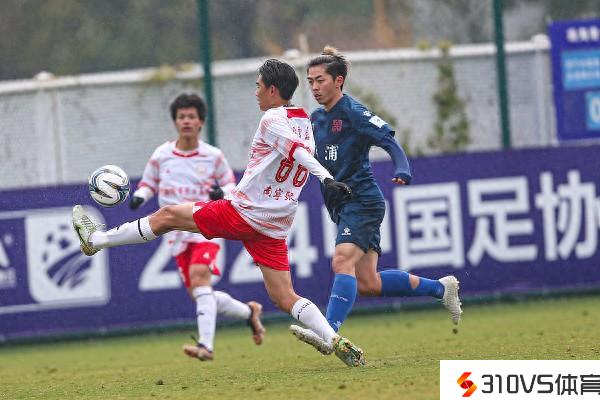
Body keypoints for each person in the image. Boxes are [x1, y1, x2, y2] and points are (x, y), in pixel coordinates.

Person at [72, 59, 366, 367]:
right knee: (284, 296)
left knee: (168, 216)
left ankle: (96, 240)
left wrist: (326, 179)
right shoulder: (303, 120)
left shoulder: (271, 119)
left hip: (245, 211)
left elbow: (297, 152)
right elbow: (299, 151)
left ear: (272, 90)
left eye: (258, 86)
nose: (255, 92)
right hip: (276, 223)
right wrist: (325, 177)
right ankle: (334, 339)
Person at [290, 46, 462, 352]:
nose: (314, 87)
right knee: (368, 283)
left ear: (338, 81)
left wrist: (403, 168)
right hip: (341, 205)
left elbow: (387, 140)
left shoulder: (354, 113)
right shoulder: (315, 119)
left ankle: (329, 333)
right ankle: (440, 288)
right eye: (311, 81)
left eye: (320, 80)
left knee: (342, 259)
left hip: (363, 201)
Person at [128, 93, 264, 361]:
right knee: (201, 294)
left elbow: (231, 185)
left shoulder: (213, 156)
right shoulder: (162, 154)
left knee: (200, 277)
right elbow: (148, 183)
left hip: (205, 227)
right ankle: (250, 313)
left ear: (201, 122)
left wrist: (220, 193)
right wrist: (139, 197)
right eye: (182, 117)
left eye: (191, 116)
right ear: (175, 122)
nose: (186, 121)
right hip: (175, 233)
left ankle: (206, 346)